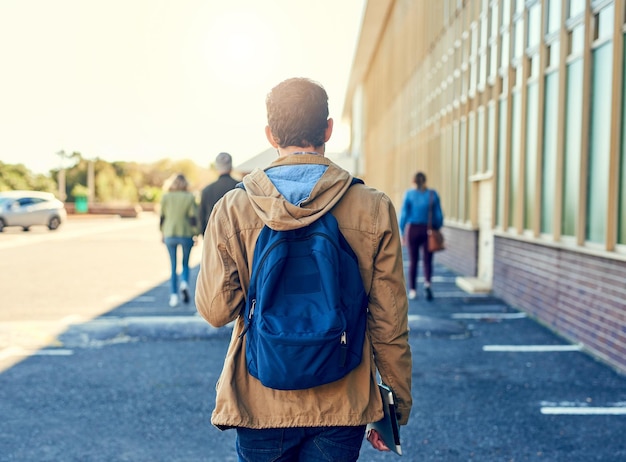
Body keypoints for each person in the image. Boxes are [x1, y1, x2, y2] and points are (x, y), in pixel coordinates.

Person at [195, 77, 412, 461]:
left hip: (260, 400)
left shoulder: (234, 207)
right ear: (327, 129)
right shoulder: (373, 206)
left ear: (269, 134)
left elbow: (216, 311)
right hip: (342, 400)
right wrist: (393, 409)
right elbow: (389, 322)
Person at [399, 171, 444, 301]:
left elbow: (403, 215)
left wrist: (402, 231)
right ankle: (427, 283)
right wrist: (437, 227)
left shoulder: (409, 194)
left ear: (413, 181)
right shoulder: (432, 194)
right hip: (427, 229)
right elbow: (438, 215)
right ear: (425, 181)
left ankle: (412, 290)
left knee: (413, 260)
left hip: (412, 229)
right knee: (428, 259)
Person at [160, 173, 198, 307]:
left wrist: (162, 232)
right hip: (186, 234)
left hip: (170, 233)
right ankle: (184, 283)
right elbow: (193, 217)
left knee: (173, 266)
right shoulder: (189, 197)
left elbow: (162, 217)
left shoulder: (166, 197)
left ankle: (174, 297)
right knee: (185, 263)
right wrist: (196, 234)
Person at [198, 152, 238, 236]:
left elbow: (201, 215)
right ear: (231, 167)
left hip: (213, 235)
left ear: (217, 168)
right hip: (237, 236)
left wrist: (204, 235)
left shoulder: (207, 190)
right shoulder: (240, 187)